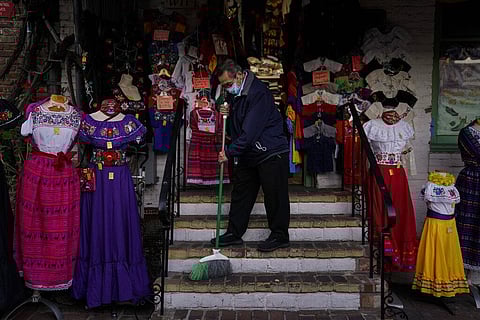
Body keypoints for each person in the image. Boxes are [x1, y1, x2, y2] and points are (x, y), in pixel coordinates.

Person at [211, 59, 290, 252]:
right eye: (223, 86)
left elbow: (250, 131)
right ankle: (234, 232)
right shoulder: (236, 93)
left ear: (238, 75)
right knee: (241, 192)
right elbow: (237, 124)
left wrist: (228, 152)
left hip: (270, 150)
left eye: (228, 85)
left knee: (274, 194)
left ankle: (280, 235)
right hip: (249, 151)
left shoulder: (258, 93)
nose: (227, 89)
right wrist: (226, 110)